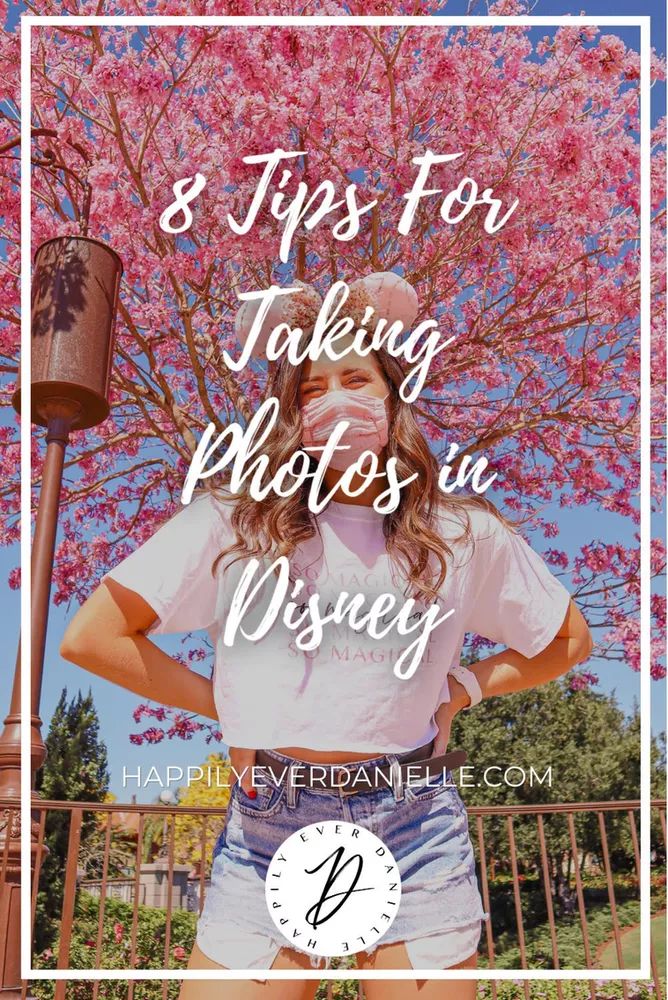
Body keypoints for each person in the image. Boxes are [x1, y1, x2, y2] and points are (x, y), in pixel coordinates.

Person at [60, 321, 593, 1000]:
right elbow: (94, 635)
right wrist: (230, 708)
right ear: (296, 418)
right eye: (313, 388)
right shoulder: (234, 522)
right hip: (269, 826)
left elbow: (568, 640)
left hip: (414, 823)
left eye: (355, 379)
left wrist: (463, 688)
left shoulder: (463, 532)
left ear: (394, 400)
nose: (335, 400)